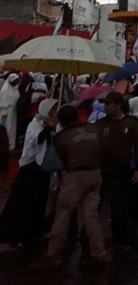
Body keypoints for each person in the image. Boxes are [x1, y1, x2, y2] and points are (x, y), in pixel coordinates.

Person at [37, 105, 108, 268]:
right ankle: (99, 253)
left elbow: (61, 159)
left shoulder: (62, 137)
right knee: (91, 215)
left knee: (62, 215)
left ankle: (53, 257)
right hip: (96, 174)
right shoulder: (93, 129)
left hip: (75, 175)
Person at [0, 98, 58, 248]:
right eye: (52, 109)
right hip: (29, 170)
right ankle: (15, 236)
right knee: (22, 205)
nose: (54, 112)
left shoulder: (48, 123)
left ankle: (33, 235)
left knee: (38, 204)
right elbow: (37, 140)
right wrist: (50, 127)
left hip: (42, 170)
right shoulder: (35, 124)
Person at [97, 91, 138, 249]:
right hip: (102, 168)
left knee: (119, 206)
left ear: (117, 105)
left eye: (108, 104)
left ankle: (120, 239)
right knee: (96, 206)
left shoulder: (131, 123)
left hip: (122, 169)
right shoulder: (101, 124)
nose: (105, 107)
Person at [0, 73, 21, 149]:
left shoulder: (15, 88)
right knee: (7, 128)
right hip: (6, 113)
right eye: (15, 80)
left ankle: (11, 145)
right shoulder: (5, 90)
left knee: (12, 128)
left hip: (13, 112)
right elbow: (2, 103)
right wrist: (4, 112)